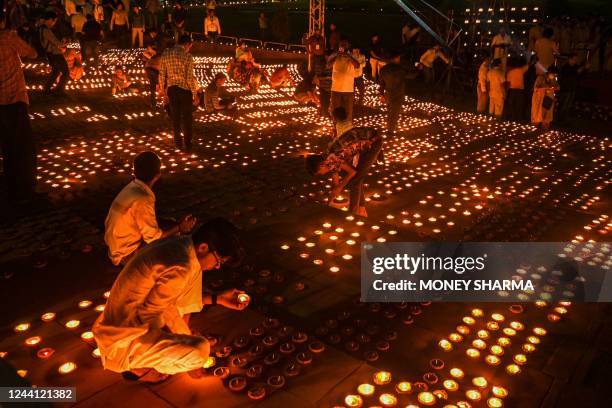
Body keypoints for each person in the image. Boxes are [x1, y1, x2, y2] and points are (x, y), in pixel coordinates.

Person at [93, 218, 248, 383]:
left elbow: (169, 305)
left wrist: (183, 333)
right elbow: (152, 314)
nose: (217, 267)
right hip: (124, 340)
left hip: (116, 325)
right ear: (203, 247)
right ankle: (140, 367)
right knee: (200, 352)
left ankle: (154, 357)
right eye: (218, 261)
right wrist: (188, 355)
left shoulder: (178, 244)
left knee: (185, 332)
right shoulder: (183, 266)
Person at [104, 151, 197, 266]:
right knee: (175, 243)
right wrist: (180, 227)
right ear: (158, 175)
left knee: (169, 224)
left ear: (134, 172)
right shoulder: (143, 199)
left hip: (116, 245)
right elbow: (153, 239)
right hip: (126, 253)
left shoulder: (132, 186)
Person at [0, 12, 38, 201]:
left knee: (6, 144)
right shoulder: (7, 37)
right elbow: (31, 52)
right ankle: (25, 187)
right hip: (14, 97)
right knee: (22, 144)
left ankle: (10, 183)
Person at [306, 126, 383, 217]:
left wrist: (340, 187)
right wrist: (329, 202)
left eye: (319, 173)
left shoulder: (334, 156)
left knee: (355, 179)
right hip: (361, 144)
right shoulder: (328, 159)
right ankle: (361, 209)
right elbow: (335, 183)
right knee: (354, 178)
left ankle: (353, 214)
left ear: (322, 165)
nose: (322, 174)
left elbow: (352, 172)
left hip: (373, 142)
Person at [159, 34, 200, 152]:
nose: (189, 49)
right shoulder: (187, 56)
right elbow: (189, 78)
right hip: (185, 90)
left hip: (172, 90)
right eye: (190, 46)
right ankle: (187, 143)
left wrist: (163, 91)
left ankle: (178, 142)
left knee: (175, 118)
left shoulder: (166, 53)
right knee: (187, 118)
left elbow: (162, 74)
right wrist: (195, 94)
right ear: (187, 44)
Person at [40, 11, 69, 96]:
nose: (54, 23)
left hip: (50, 54)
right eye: (54, 21)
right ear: (50, 19)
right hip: (55, 54)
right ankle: (59, 89)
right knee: (66, 72)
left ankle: (47, 89)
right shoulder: (46, 30)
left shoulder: (41, 28)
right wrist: (66, 44)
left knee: (56, 71)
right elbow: (56, 43)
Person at [329, 40, 359, 122]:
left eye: (345, 44)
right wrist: (336, 56)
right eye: (341, 44)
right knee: (335, 109)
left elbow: (357, 65)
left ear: (348, 46)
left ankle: (347, 127)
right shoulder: (334, 54)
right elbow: (328, 65)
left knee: (348, 110)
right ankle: (336, 127)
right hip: (336, 88)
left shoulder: (352, 55)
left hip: (348, 89)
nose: (343, 46)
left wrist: (349, 57)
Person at [379, 53, 405, 134]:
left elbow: (382, 83)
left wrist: (382, 94)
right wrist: (418, 68)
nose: (399, 59)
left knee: (390, 112)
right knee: (394, 113)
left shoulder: (383, 69)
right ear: (395, 59)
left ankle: (390, 127)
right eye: (398, 57)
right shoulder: (400, 69)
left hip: (388, 93)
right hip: (398, 94)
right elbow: (411, 75)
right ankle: (390, 131)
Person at [557, 53, 588, 123]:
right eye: (574, 59)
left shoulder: (575, 67)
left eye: (576, 59)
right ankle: (560, 120)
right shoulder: (565, 67)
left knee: (568, 105)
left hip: (572, 89)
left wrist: (585, 69)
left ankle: (564, 119)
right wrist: (578, 71)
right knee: (563, 105)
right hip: (565, 89)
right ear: (570, 59)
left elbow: (580, 74)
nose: (576, 61)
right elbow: (569, 75)